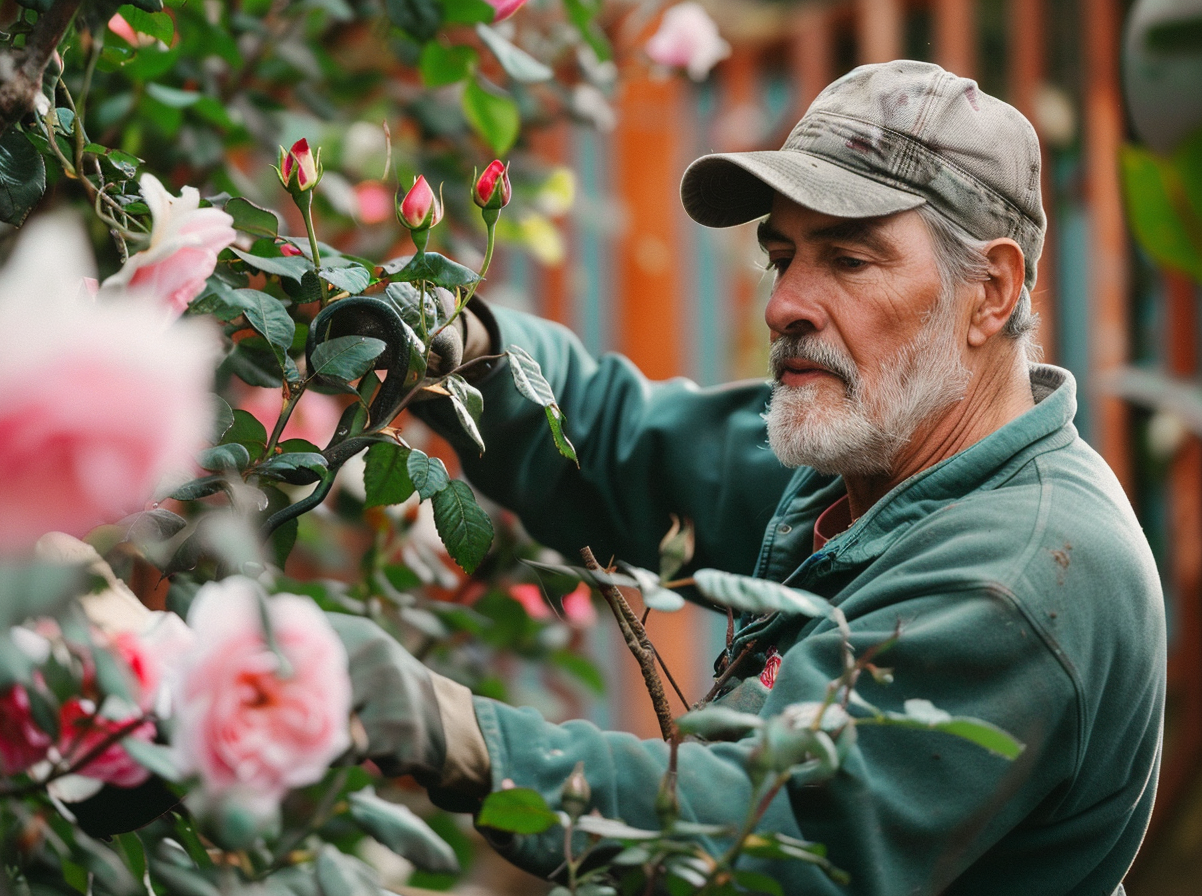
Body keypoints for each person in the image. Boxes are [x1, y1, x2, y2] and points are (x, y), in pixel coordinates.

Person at [331, 59, 1167, 895]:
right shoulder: (876, 460)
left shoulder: (1019, 576)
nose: (785, 304)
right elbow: (630, 442)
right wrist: (470, 344)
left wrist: (465, 737)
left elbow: (777, 833)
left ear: (991, 291)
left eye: (848, 260)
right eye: (782, 256)